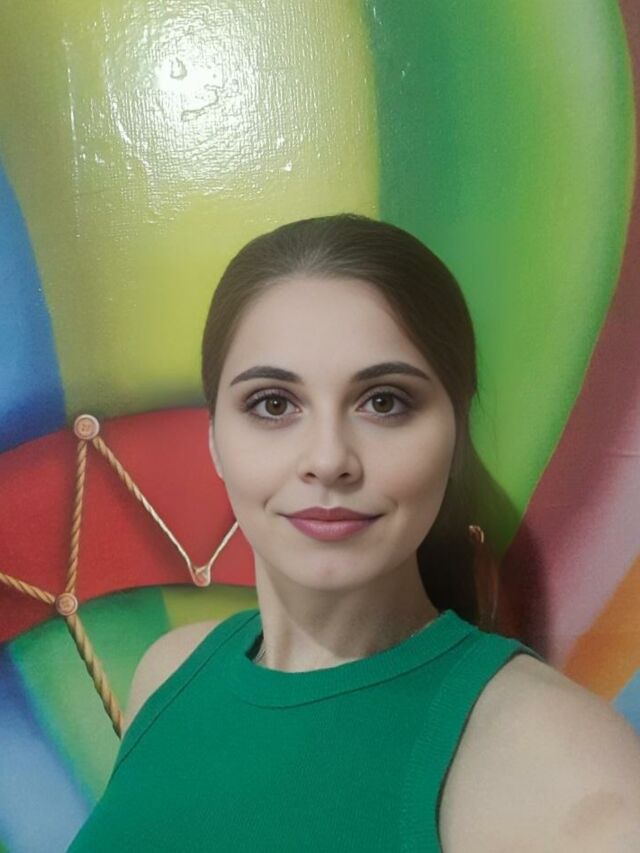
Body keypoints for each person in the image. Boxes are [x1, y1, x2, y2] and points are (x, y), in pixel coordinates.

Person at [68, 214, 640, 851]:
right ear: (215, 442)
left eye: (384, 401)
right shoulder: (170, 672)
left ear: (456, 437)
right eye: (273, 404)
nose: (328, 458)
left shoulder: (567, 771)